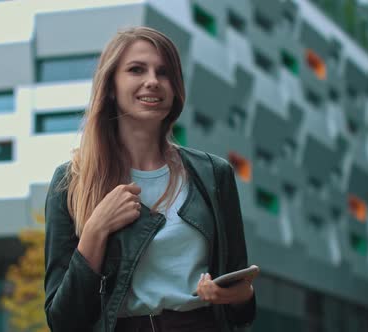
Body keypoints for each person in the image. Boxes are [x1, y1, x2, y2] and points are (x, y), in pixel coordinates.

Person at [44, 26, 257, 332]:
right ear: (111, 87)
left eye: (164, 72)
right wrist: (96, 230)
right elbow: (63, 321)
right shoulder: (71, 181)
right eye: (136, 70)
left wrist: (241, 294)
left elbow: (241, 309)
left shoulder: (214, 174)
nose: (153, 81)